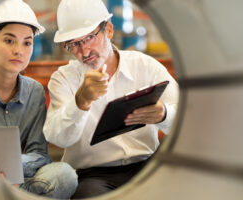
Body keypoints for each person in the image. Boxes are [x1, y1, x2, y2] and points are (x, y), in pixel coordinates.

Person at [43, 0, 179, 198]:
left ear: (108, 29)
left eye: (89, 38)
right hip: (93, 176)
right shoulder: (64, 79)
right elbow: (58, 137)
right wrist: (80, 102)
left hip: (147, 165)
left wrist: (164, 114)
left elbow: (188, 121)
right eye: (73, 44)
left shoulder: (145, 66)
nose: (84, 52)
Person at [0, 0, 77, 198]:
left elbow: (39, 154)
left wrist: (11, 169)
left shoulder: (35, 92)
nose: (19, 50)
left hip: (19, 182)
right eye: (9, 40)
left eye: (27, 42)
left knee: (64, 175)